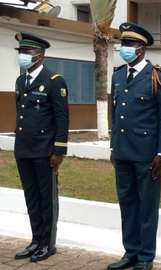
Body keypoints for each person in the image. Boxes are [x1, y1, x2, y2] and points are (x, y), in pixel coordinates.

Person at [108, 22, 161, 270]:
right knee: (127, 204)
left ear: (142, 48)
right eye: (123, 43)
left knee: (147, 207)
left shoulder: (159, 77)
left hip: (148, 155)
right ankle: (130, 252)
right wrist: (114, 147)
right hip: (123, 152)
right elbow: (116, 115)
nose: (125, 48)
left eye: (131, 44)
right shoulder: (117, 75)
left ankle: (146, 256)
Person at [12, 32, 68, 262]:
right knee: (31, 197)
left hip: (45, 151)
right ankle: (35, 240)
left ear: (40, 54)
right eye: (21, 52)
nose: (23, 56)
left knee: (47, 198)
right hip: (24, 149)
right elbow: (21, 115)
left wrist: (59, 151)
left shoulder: (54, 81)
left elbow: (62, 119)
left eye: (27, 52)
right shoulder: (20, 80)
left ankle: (48, 243)